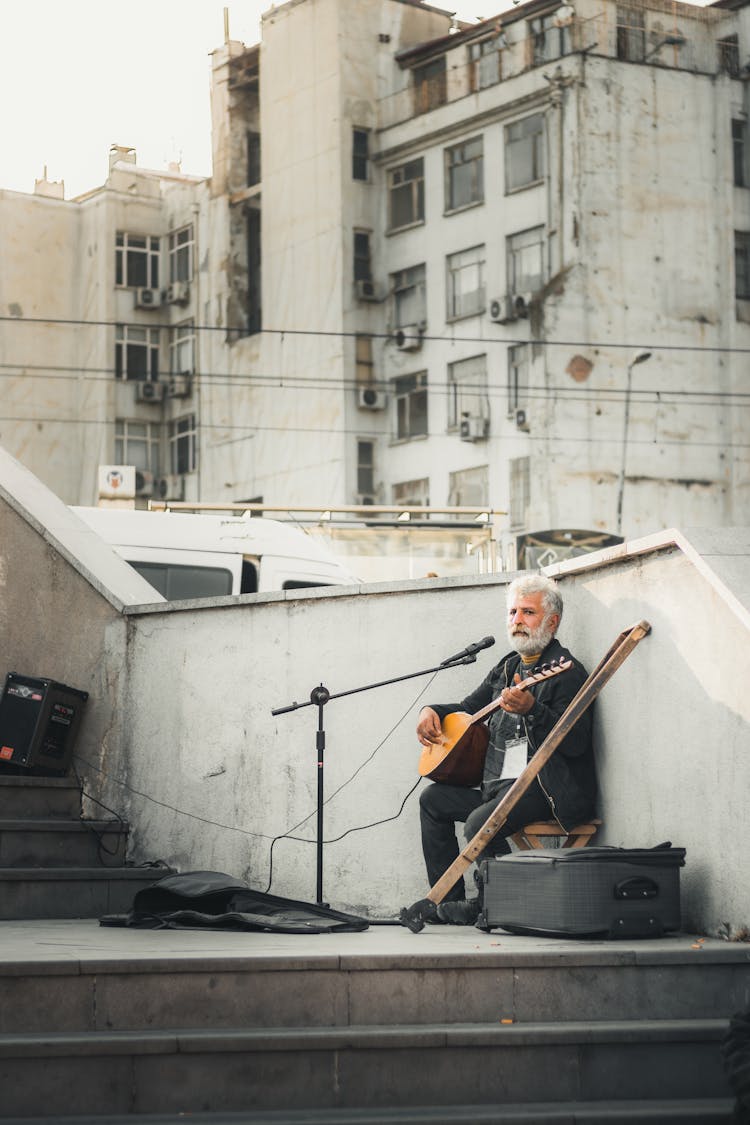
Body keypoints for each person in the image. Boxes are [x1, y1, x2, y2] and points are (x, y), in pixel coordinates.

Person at [416, 574, 597, 925]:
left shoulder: (568, 673)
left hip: (546, 790)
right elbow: (468, 707)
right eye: (513, 612)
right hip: (499, 787)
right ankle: (446, 903)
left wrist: (533, 709)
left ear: (552, 621)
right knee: (432, 800)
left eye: (528, 612)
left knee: (480, 822)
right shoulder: (508, 667)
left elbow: (576, 745)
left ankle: (490, 904)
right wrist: (432, 711)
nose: (517, 621)